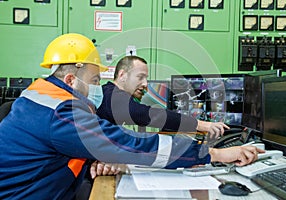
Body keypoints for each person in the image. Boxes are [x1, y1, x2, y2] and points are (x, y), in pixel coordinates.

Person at [0, 33, 263, 199]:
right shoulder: (60, 111)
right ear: (71, 79)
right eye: (93, 79)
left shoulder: (38, 95)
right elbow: (129, 142)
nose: (96, 87)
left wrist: (97, 156)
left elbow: (65, 144)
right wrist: (212, 154)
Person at [97, 55, 228, 137]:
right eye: (140, 77)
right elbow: (146, 114)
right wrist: (202, 125)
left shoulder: (109, 93)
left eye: (146, 78)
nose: (145, 84)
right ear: (122, 75)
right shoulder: (112, 96)